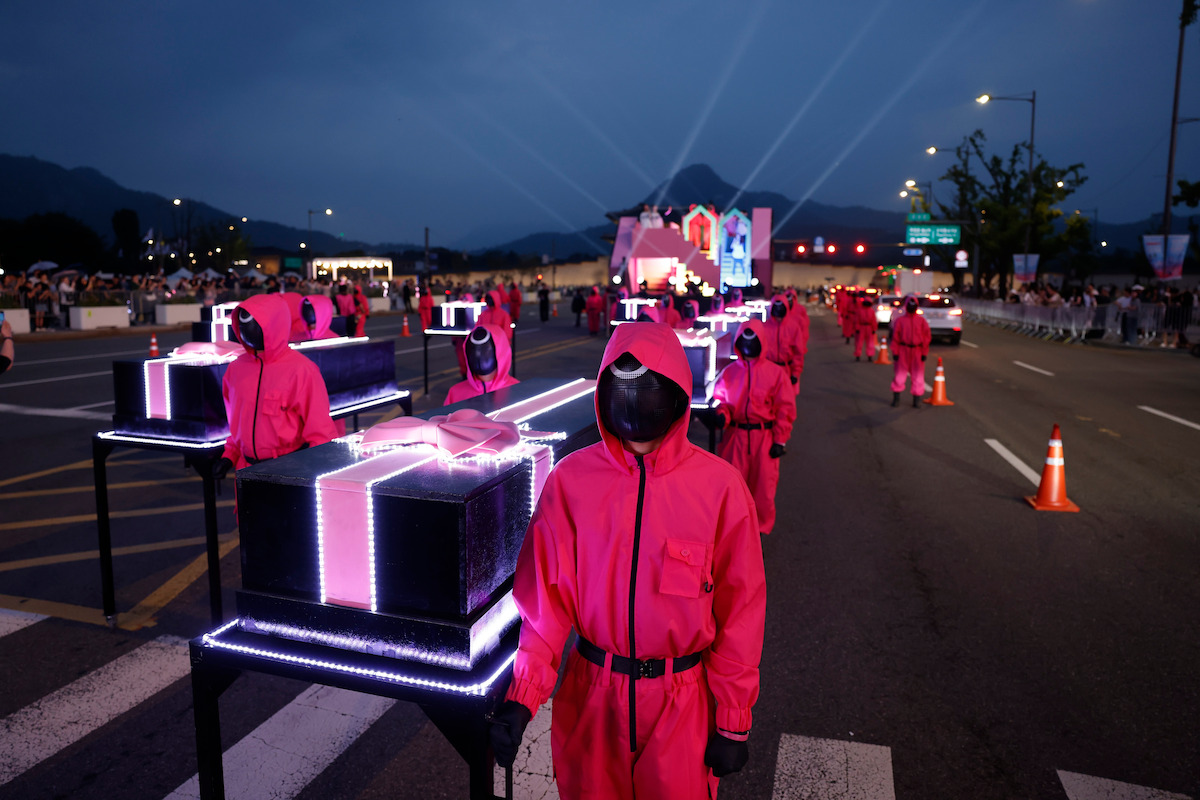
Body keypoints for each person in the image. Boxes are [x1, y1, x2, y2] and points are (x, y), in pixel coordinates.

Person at [490, 321, 766, 799]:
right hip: (592, 698)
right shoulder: (571, 481)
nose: (635, 401)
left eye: (648, 386)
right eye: (621, 386)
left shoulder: (720, 489)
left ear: (678, 393)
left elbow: (740, 612)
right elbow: (545, 603)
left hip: (681, 702)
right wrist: (524, 696)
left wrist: (733, 720)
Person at [212, 294, 338, 482]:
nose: (247, 330)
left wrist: (316, 474)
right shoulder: (235, 370)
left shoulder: (301, 370)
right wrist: (229, 456)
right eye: (243, 323)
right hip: (246, 473)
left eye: (254, 323)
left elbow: (320, 432)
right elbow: (236, 424)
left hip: (291, 470)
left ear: (273, 324)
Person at [712, 319, 796, 535]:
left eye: (754, 340)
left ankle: (757, 535)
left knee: (763, 491)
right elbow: (721, 399)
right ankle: (733, 533)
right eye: (745, 340)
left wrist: (780, 440)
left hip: (764, 438)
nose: (749, 345)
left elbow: (785, 407)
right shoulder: (730, 372)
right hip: (735, 437)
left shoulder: (776, 374)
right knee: (732, 488)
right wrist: (723, 415)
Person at [444, 323, 518, 405]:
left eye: (486, 350)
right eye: (473, 350)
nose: (478, 355)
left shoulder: (518, 391)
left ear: (500, 351)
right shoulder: (455, 393)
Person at [889, 294, 931, 408]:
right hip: (903, 350)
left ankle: (916, 400)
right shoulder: (900, 321)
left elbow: (926, 338)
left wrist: (924, 353)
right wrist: (895, 352)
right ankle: (896, 398)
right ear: (907, 306)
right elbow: (895, 338)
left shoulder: (921, 321)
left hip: (917, 351)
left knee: (918, 376)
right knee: (899, 375)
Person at [763, 294, 803, 391]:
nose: (778, 318)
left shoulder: (793, 328)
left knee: (785, 400)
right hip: (768, 370)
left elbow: (798, 353)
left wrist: (795, 373)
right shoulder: (764, 327)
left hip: (786, 370)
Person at [853, 292, 877, 361]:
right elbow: (857, 320)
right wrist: (857, 328)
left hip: (869, 327)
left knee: (870, 343)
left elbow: (873, 320)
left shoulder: (871, 311)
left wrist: (874, 328)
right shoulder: (860, 310)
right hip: (861, 327)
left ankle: (870, 355)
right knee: (859, 342)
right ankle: (858, 355)